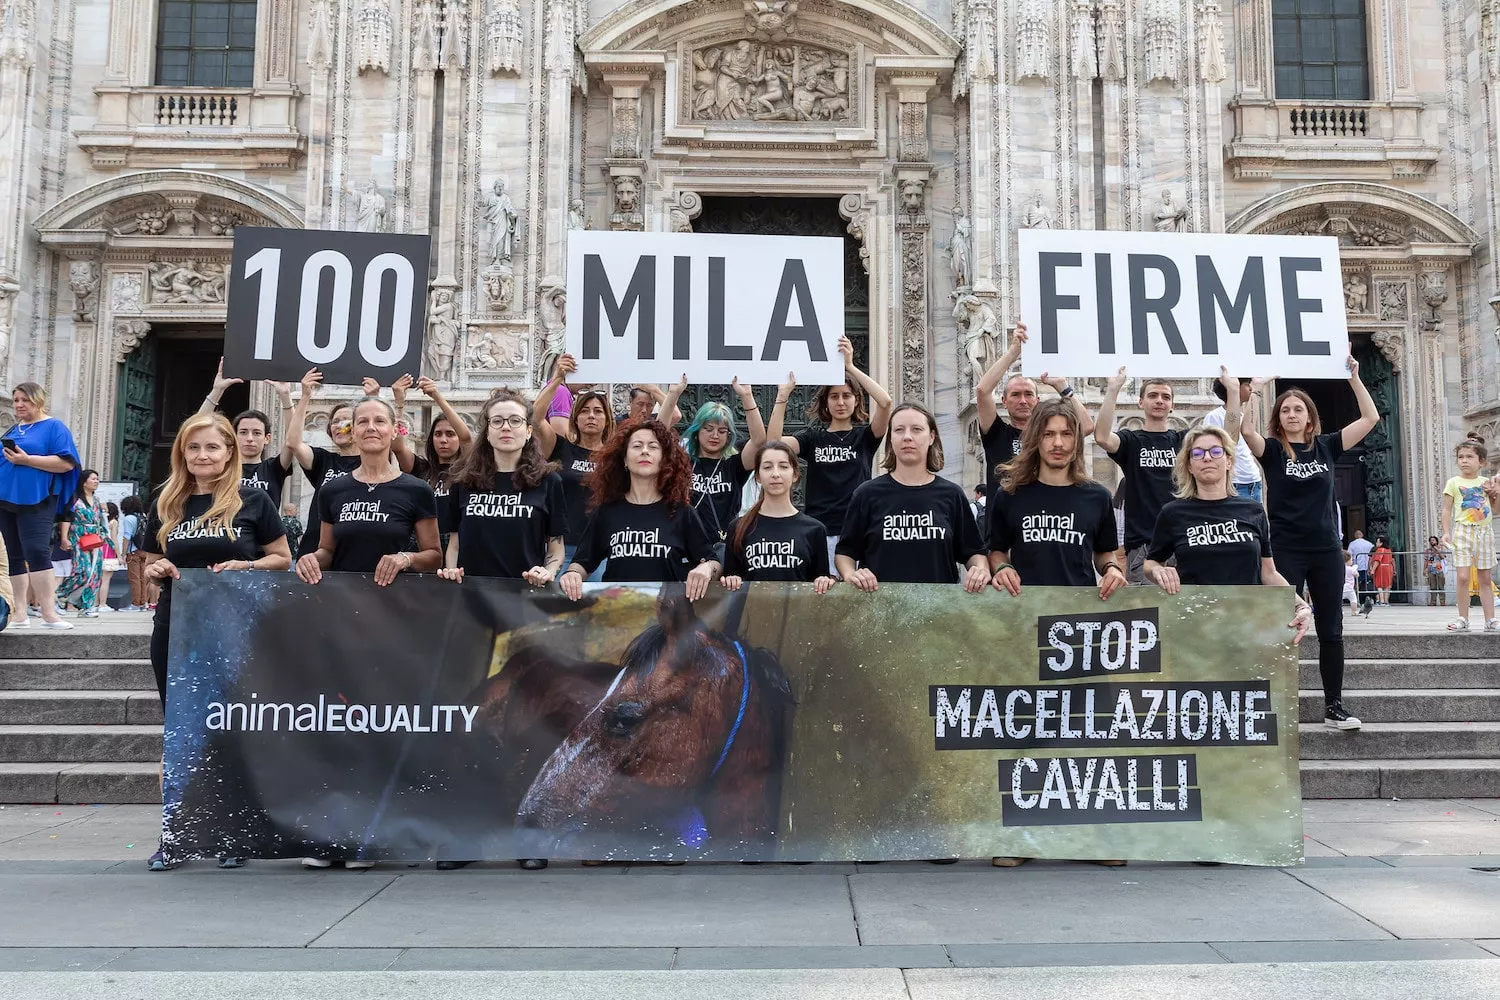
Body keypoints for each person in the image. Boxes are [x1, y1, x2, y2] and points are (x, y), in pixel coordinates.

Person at [140, 412, 292, 870]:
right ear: (181, 453)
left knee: (232, 728)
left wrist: (243, 567)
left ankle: (232, 833)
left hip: (236, 628)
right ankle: (176, 834)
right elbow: (150, 565)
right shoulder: (165, 501)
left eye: (211, 447)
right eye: (193, 448)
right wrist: (155, 571)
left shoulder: (252, 500)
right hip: (177, 629)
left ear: (230, 452)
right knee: (181, 731)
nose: (202, 456)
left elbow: (282, 559)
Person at [986, 397, 1125, 869]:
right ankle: (1020, 835)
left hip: (1083, 631)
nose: (1059, 443)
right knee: (1027, 730)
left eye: (1067, 434)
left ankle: (1095, 836)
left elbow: (1108, 554)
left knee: (1090, 733)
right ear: (1035, 440)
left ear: (1077, 441)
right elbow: (995, 552)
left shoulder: (1095, 497)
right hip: (1024, 627)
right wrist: (1001, 569)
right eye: (1050, 434)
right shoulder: (1010, 495)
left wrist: (1113, 572)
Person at [439, 389, 567, 873]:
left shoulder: (547, 483)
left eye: (516, 420)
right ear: (486, 429)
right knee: (467, 722)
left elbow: (556, 547)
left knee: (530, 723)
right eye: (498, 421)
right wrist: (452, 571)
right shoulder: (463, 480)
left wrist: (550, 571)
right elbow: (453, 542)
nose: (508, 428)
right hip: (471, 613)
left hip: (528, 612)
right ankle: (463, 835)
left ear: (529, 430)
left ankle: (531, 834)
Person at [1242, 358, 1381, 731]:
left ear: (1309, 417)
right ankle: (1270, 706)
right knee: (1281, 626)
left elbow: (1370, 420)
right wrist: (1252, 389)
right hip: (1285, 549)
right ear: (1278, 417)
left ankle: (1334, 706)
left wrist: (1354, 377)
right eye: (1285, 409)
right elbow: (1242, 429)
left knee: (1331, 630)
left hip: (1325, 551)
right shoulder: (1271, 451)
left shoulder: (1328, 446)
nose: (1291, 413)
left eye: (1298, 409)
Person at [1142, 424, 1312, 646]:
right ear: (1189, 466)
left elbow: (1268, 573)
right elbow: (1150, 563)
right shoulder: (1173, 513)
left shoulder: (1253, 510)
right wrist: (1158, 571)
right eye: (1197, 453)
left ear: (1229, 461)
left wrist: (1300, 606)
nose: (1207, 458)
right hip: (1195, 627)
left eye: (1215, 451)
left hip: (1248, 625)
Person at [768, 336, 894, 571]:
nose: (841, 402)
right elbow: (774, 443)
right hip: (820, 531)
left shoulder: (865, 437)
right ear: (826, 403)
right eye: (834, 396)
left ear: (857, 401)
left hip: (858, 531)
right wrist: (783, 396)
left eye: (847, 396)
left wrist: (850, 367)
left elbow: (886, 403)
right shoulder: (813, 437)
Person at [834, 402, 988, 593]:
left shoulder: (952, 494)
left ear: (931, 436)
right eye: (899, 430)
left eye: (916, 429)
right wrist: (850, 574)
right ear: (890, 438)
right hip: (879, 610)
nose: (907, 437)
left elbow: (974, 552)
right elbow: (845, 552)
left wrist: (980, 570)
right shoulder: (866, 494)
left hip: (940, 610)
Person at [558, 419, 720, 600]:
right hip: (618, 617)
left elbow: (713, 562)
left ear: (664, 459)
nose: (645, 451)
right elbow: (582, 563)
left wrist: (706, 568)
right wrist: (572, 575)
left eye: (653, 447)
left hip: (666, 619)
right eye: (637, 446)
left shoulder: (682, 512)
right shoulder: (606, 513)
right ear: (625, 460)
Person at [973, 323, 1094, 498]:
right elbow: (982, 391)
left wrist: (1063, 387)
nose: (1023, 401)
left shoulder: (1049, 435)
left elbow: (1087, 426)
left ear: (1037, 401)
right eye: (1015, 395)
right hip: (1005, 519)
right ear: (1004, 402)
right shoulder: (997, 433)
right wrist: (1013, 352)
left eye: (1028, 394)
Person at [0, 382, 82, 630]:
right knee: (14, 554)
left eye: (25, 399)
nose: (19, 404)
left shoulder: (54, 426)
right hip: (5, 498)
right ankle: (20, 613)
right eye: (15, 400)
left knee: (36, 550)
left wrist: (26, 460)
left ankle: (48, 613)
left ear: (39, 400)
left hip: (39, 497)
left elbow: (66, 463)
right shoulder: (14, 429)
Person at [659, 376, 774, 542]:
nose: (715, 435)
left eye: (722, 431)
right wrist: (673, 394)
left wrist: (747, 396)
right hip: (684, 544)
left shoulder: (733, 464)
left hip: (723, 545)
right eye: (708, 429)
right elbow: (658, 436)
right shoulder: (682, 461)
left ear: (729, 436)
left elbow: (758, 441)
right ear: (697, 432)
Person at [533, 354, 616, 576]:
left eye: (598, 411)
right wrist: (558, 378)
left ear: (607, 419)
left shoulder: (614, 455)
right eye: (584, 411)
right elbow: (535, 418)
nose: (591, 416)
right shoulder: (560, 447)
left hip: (602, 550)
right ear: (575, 418)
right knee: (561, 610)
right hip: (563, 549)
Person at [720, 440, 836, 592]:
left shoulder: (815, 529)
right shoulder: (738, 527)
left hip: (797, 614)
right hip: (752, 614)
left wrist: (824, 581)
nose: (775, 474)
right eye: (767, 467)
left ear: (795, 474)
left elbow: (819, 586)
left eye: (783, 466)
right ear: (757, 476)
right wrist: (731, 580)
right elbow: (730, 586)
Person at [384, 374, 473, 550]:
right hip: (421, 543)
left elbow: (466, 437)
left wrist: (437, 397)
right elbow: (396, 445)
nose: (443, 440)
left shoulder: (467, 469)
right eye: (438, 434)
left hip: (456, 542)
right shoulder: (421, 468)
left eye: (450, 434)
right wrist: (399, 403)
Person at [284, 369, 363, 558]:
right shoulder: (324, 460)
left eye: (346, 420)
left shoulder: (373, 463)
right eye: (334, 421)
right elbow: (293, 442)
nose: (339, 425)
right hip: (316, 547)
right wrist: (304, 396)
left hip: (353, 546)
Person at [198, 357, 296, 506]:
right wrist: (217, 390)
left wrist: (286, 397)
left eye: (256, 433)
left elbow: (294, 439)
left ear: (267, 438)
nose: (249, 438)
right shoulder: (223, 466)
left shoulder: (274, 468)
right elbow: (196, 430)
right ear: (234, 437)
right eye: (243, 432)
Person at [1440, 439, 1496, 632]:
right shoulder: (1454, 483)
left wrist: (1496, 493)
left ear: (1481, 461)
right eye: (1461, 457)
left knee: (1485, 577)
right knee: (1463, 577)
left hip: (1484, 532)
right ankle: (1463, 617)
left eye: (1469, 457)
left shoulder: (1486, 483)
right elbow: (1446, 510)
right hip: (1463, 531)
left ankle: (1491, 619)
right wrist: (1446, 532)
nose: (1464, 461)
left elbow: (1496, 510)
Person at [56, 470, 108, 617]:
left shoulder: (97, 501)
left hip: (95, 539)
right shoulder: (75, 499)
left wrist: (103, 535)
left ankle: (86, 606)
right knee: (82, 571)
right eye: (93, 479)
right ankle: (59, 595)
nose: (96, 481)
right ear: (84, 481)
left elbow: (100, 521)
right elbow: (66, 518)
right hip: (78, 537)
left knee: (94, 573)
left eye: (98, 479)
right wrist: (65, 538)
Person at [1204, 377, 1262, 502]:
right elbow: (1226, 443)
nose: (1250, 388)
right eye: (1247, 384)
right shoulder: (1214, 416)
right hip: (1235, 483)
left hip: (1253, 481)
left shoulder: (1243, 416)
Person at [120, 495, 155, 611]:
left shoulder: (129, 518)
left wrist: (123, 554)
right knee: (143, 578)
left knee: (134, 578)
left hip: (133, 551)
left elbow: (127, 537)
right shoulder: (143, 517)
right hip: (144, 551)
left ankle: (135, 603)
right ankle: (143, 603)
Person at [99, 501, 122, 611]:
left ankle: (96, 604)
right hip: (109, 551)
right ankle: (103, 604)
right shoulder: (114, 522)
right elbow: (114, 540)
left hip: (98, 550)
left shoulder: (99, 521)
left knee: (98, 580)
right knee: (106, 579)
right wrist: (119, 556)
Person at [1347, 529, 1374, 609]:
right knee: (1367, 582)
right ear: (1362, 535)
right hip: (1367, 566)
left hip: (1357, 566)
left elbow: (1349, 555)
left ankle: (1356, 599)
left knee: (1356, 584)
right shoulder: (1369, 544)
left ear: (1355, 536)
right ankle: (1371, 598)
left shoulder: (1352, 544)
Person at [1370, 536, 1395, 606]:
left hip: (1381, 568)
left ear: (1381, 543)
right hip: (1389, 567)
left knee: (1379, 585)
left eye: (1377, 542)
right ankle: (1386, 601)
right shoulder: (1389, 550)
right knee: (1387, 585)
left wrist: (1373, 569)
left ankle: (1382, 601)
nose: (1376, 543)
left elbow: (1377, 560)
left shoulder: (1380, 550)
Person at [1424, 535, 1449, 607]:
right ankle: (1433, 601)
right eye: (1431, 540)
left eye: (1433, 540)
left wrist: (1437, 550)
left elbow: (1443, 557)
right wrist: (1424, 569)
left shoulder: (1440, 549)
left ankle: (1442, 602)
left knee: (1441, 586)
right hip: (1431, 568)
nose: (1432, 541)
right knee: (1432, 586)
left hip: (1439, 568)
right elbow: (1426, 560)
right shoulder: (1428, 551)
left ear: (1436, 541)